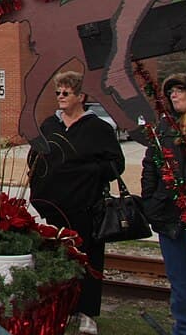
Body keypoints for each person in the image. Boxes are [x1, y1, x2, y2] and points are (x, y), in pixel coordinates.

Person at [28, 70, 124, 335]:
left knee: (88, 262)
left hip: (85, 207)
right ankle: (58, 310)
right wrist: (38, 191)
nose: (60, 97)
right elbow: (34, 159)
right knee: (55, 260)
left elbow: (116, 164)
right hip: (53, 207)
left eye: (66, 92)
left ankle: (87, 314)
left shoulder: (99, 128)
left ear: (80, 96)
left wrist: (86, 172)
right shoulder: (50, 125)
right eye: (57, 92)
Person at [142, 73, 186, 335]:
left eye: (179, 90)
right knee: (180, 282)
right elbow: (149, 166)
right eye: (170, 91)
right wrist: (152, 201)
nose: (174, 95)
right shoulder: (163, 127)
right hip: (169, 219)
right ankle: (185, 329)